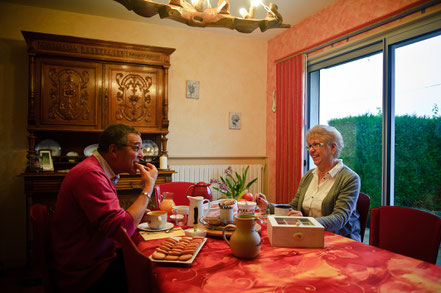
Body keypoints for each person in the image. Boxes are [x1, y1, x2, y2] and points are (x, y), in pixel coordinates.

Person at [51, 124, 158, 292]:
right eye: (136, 148)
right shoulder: (90, 174)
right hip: (87, 272)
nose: (142, 155)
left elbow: (113, 219)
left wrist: (136, 216)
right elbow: (123, 228)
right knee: (153, 274)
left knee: (147, 259)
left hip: (95, 256)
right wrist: (148, 187)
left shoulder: (98, 170)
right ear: (113, 150)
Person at [256, 125, 361, 241]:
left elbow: (339, 218)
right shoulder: (309, 176)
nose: (311, 150)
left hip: (338, 241)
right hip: (308, 235)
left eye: (317, 144)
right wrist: (268, 206)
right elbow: (294, 207)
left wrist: (305, 221)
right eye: (310, 146)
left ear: (333, 148)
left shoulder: (350, 178)